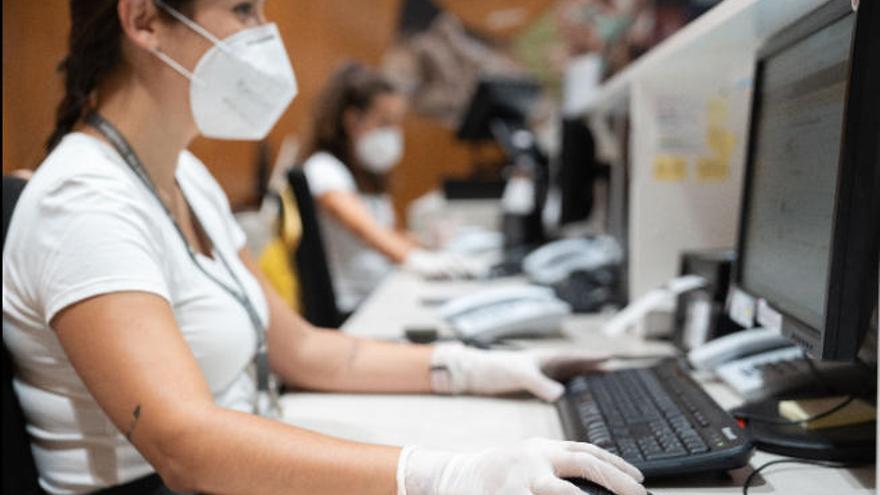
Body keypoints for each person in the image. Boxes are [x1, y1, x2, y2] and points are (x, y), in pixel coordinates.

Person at [0, 1, 648, 495]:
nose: (263, 33)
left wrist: (470, 366)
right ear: (145, 20)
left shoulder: (184, 175)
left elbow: (304, 349)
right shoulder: (82, 201)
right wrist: (444, 475)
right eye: (244, 9)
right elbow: (184, 442)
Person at [300, 62, 483, 314]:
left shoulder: (366, 176)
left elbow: (385, 234)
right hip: (355, 307)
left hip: (380, 294)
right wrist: (417, 260)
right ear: (352, 120)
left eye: (398, 123)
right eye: (385, 122)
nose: (394, 133)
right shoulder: (323, 170)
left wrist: (425, 243)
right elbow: (365, 230)